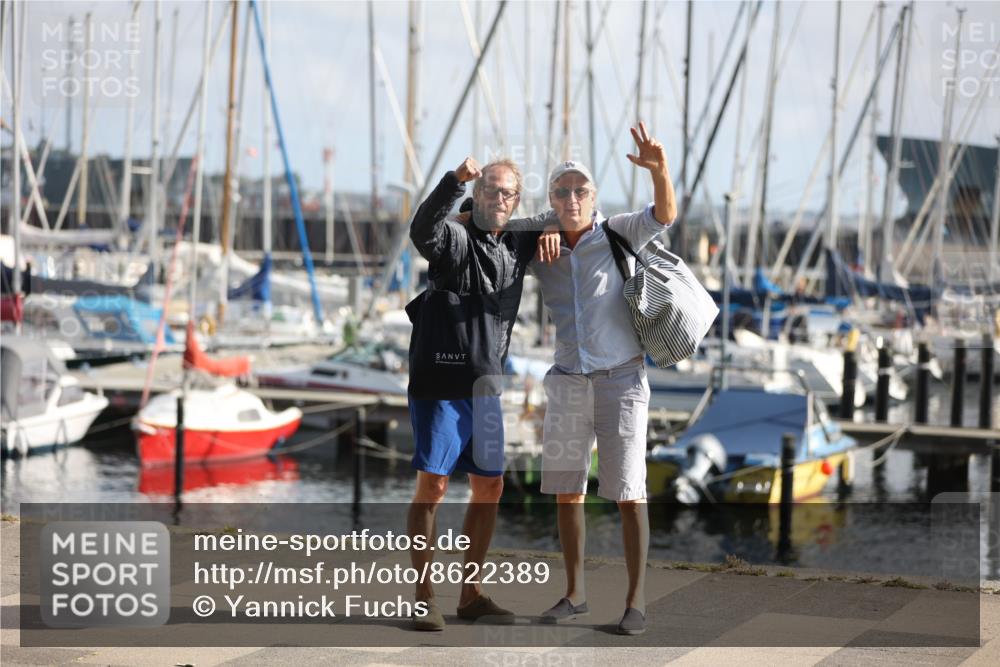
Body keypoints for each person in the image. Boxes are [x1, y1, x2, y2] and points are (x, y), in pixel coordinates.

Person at [531, 122, 677, 636]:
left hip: (621, 378)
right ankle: (574, 595)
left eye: (581, 190)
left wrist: (660, 172)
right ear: (551, 199)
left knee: (628, 492)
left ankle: (636, 601)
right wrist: (544, 226)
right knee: (567, 491)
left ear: (594, 197)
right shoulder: (540, 241)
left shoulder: (616, 231)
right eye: (562, 192)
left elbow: (665, 214)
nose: (572, 198)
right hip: (568, 378)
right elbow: (485, 224)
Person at [406, 157, 557, 631]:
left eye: (508, 193)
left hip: (488, 386)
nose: (499, 198)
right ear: (479, 194)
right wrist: (454, 182)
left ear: (516, 200)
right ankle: (423, 596)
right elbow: (422, 229)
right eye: (491, 190)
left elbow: (574, 220)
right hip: (440, 384)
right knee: (433, 484)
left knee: (490, 486)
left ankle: (470, 595)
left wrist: (551, 226)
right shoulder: (454, 238)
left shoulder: (517, 240)